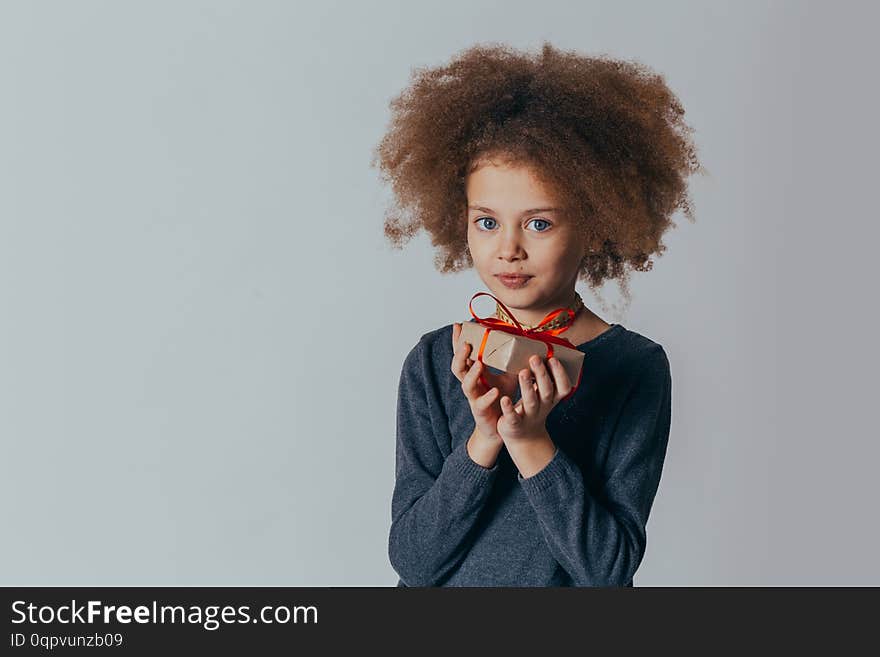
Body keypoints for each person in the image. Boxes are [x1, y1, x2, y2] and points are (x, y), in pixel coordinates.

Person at [371, 42, 703, 586]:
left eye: (539, 223)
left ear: (596, 224)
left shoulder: (635, 367)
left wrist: (530, 441)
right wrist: (484, 439)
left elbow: (608, 570)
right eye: (486, 221)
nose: (508, 249)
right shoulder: (436, 360)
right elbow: (413, 562)